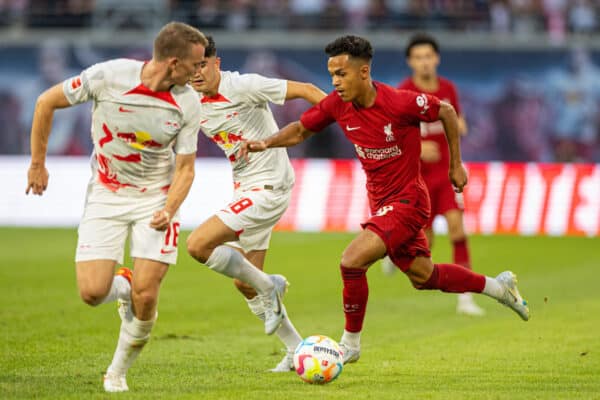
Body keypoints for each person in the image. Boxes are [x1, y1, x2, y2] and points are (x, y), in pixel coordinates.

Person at [239, 35, 530, 365]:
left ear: (364, 72)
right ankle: (499, 288)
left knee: (351, 261)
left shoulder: (399, 102)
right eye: (332, 74)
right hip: (381, 203)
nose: (335, 82)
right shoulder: (337, 104)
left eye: (342, 74)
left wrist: (454, 164)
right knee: (424, 275)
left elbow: (447, 112)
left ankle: (350, 344)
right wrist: (266, 143)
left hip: (408, 201)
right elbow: (301, 130)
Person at [26, 22, 207, 392]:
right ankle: (119, 284)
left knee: (147, 294)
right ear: (174, 63)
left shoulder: (189, 102)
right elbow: (46, 102)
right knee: (92, 293)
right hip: (106, 194)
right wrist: (37, 164)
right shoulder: (108, 76)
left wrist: (169, 208)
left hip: (156, 197)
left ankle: (117, 371)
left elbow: (186, 169)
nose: (200, 71)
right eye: (196, 64)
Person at [186, 36, 327, 372]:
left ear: (216, 63)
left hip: (269, 187)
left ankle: (270, 285)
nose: (196, 73)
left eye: (201, 64)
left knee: (198, 244)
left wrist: (345, 118)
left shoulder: (244, 86)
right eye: (189, 67)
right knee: (243, 282)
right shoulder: (189, 101)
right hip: (245, 189)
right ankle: (295, 349)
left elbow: (307, 89)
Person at [382, 33, 484, 316]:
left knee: (457, 229)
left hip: (445, 174)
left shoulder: (448, 89)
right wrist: (417, 147)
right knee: (425, 240)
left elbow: (458, 122)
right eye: (418, 58)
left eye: (428, 56)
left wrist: (459, 130)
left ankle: (465, 298)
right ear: (410, 62)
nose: (424, 62)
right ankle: (396, 251)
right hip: (418, 179)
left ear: (436, 59)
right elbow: (392, 135)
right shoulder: (404, 91)